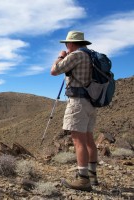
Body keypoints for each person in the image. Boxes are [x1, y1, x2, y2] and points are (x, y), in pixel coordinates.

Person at [50, 31, 98, 192]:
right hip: (91, 102)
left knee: (79, 141)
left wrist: (60, 56)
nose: (65, 46)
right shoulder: (90, 55)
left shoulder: (76, 55)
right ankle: (92, 176)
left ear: (71, 43)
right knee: (89, 139)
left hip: (78, 102)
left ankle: (83, 180)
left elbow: (54, 70)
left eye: (66, 44)